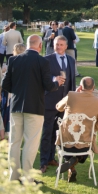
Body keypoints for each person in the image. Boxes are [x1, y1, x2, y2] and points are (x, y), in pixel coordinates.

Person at [2, 35, 64, 181]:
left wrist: (18, 90)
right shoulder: (42, 61)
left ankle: (14, 176)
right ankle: (28, 178)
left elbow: (5, 85)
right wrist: (57, 84)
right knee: (30, 142)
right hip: (35, 106)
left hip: (16, 105)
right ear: (40, 46)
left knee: (14, 142)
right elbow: (49, 85)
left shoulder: (14, 59)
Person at [54, 77, 98, 183]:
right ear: (93, 88)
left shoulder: (71, 96)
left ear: (81, 87)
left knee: (64, 134)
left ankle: (70, 165)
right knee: (89, 138)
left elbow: (58, 107)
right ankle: (75, 161)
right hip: (84, 143)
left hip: (66, 141)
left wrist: (74, 93)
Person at [40, 36, 77, 171]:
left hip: (65, 102)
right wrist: (53, 78)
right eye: (57, 44)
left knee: (59, 133)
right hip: (50, 101)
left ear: (66, 46)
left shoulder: (71, 60)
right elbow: (42, 79)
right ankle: (43, 161)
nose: (59, 47)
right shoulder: (46, 60)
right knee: (47, 132)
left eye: (61, 45)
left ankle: (52, 158)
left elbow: (72, 81)